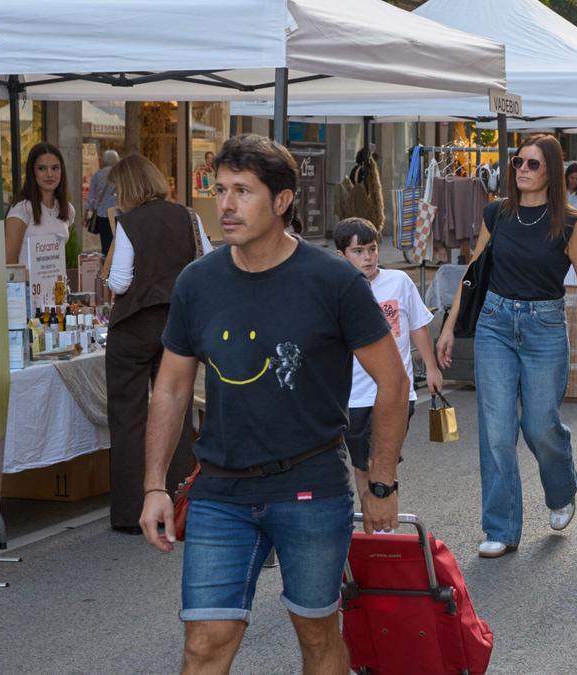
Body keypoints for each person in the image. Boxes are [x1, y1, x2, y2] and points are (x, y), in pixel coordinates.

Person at [138, 134, 409, 673]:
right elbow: (169, 387)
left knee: (316, 636)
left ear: (282, 200)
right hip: (219, 490)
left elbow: (394, 382)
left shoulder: (333, 281)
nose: (227, 204)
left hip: (308, 486)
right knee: (204, 642)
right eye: (220, 189)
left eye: (243, 190)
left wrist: (380, 481)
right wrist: (152, 486)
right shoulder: (198, 281)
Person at [435, 134, 577, 558]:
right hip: (494, 323)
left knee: (539, 425)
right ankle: (501, 528)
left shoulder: (571, 223)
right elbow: (473, 273)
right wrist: (448, 326)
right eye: (518, 163)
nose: (523, 171)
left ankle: (561, 487)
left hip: (545, 327)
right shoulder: (496, 213)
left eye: (532, 164)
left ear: (551, 170)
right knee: (496, 432)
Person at [105, 155, 213, 534]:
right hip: (178, 324)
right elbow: (209, 265)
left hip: (133, 326)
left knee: (127, 416)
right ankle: (180, 505)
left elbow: (119, 282)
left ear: (129, 187)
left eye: (119, 187)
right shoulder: (189, 217)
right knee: (177, 410)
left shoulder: (129, 222)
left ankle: (132, 512)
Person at [334, 217, 443, 510]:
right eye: (358, 251)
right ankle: (371, 517)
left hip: (396, 393)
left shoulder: (399, 282)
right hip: (354, 397)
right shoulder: (337, 290)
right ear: (341, 255)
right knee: (361, 464)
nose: (367, 257)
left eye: (372, 249)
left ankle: (383, 524)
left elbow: (418, 326)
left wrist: (431, 368)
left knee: (383, 459)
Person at [5, 142, 74, 266]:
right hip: (27, 285)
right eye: (42, 168)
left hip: (58, 284)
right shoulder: (22, 209)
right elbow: (10, 263)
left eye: (55, 168)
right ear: (32, 172)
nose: (49, 174)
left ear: (61, 171)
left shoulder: (68, 209)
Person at [85, 149, 119, 254]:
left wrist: (86, 212)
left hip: (102, 214)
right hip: (119, 213)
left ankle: (106, 265)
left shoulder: (97, 175)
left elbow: (91, 196)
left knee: (106, 243)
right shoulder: (121, 174)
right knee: (119, 242)